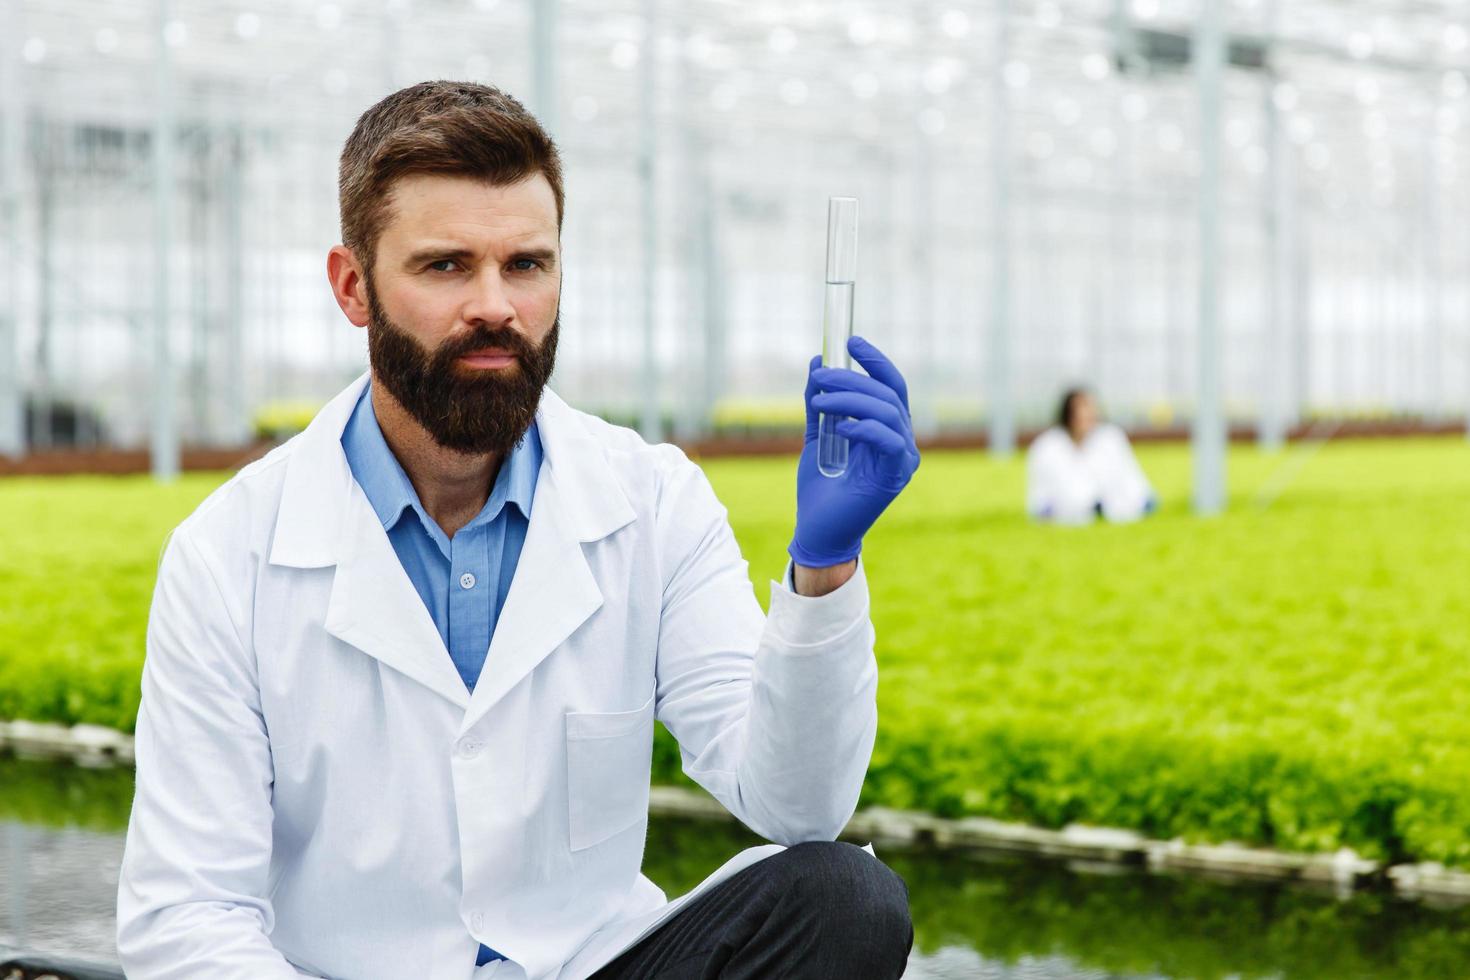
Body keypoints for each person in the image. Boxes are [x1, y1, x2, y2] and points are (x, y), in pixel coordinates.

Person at [115, 81, 920, 980]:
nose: (496, 305)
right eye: (446, 265)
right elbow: (188, 915)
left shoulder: (650, 502)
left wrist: (825, 566)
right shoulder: (229, 554)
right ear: (353, 287)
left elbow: (794, 801)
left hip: (588, 966)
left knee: (844, 899)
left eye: (526, 265)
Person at [1026, 387, 1155, 524]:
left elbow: (1131, 481)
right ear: (1068, 413)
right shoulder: (1047, 446)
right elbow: (1042, 496)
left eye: (1090, 409)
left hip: (1114, 511)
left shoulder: (1110, 439)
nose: (1088, 415)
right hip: (1066, 515)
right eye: (1081, 410)